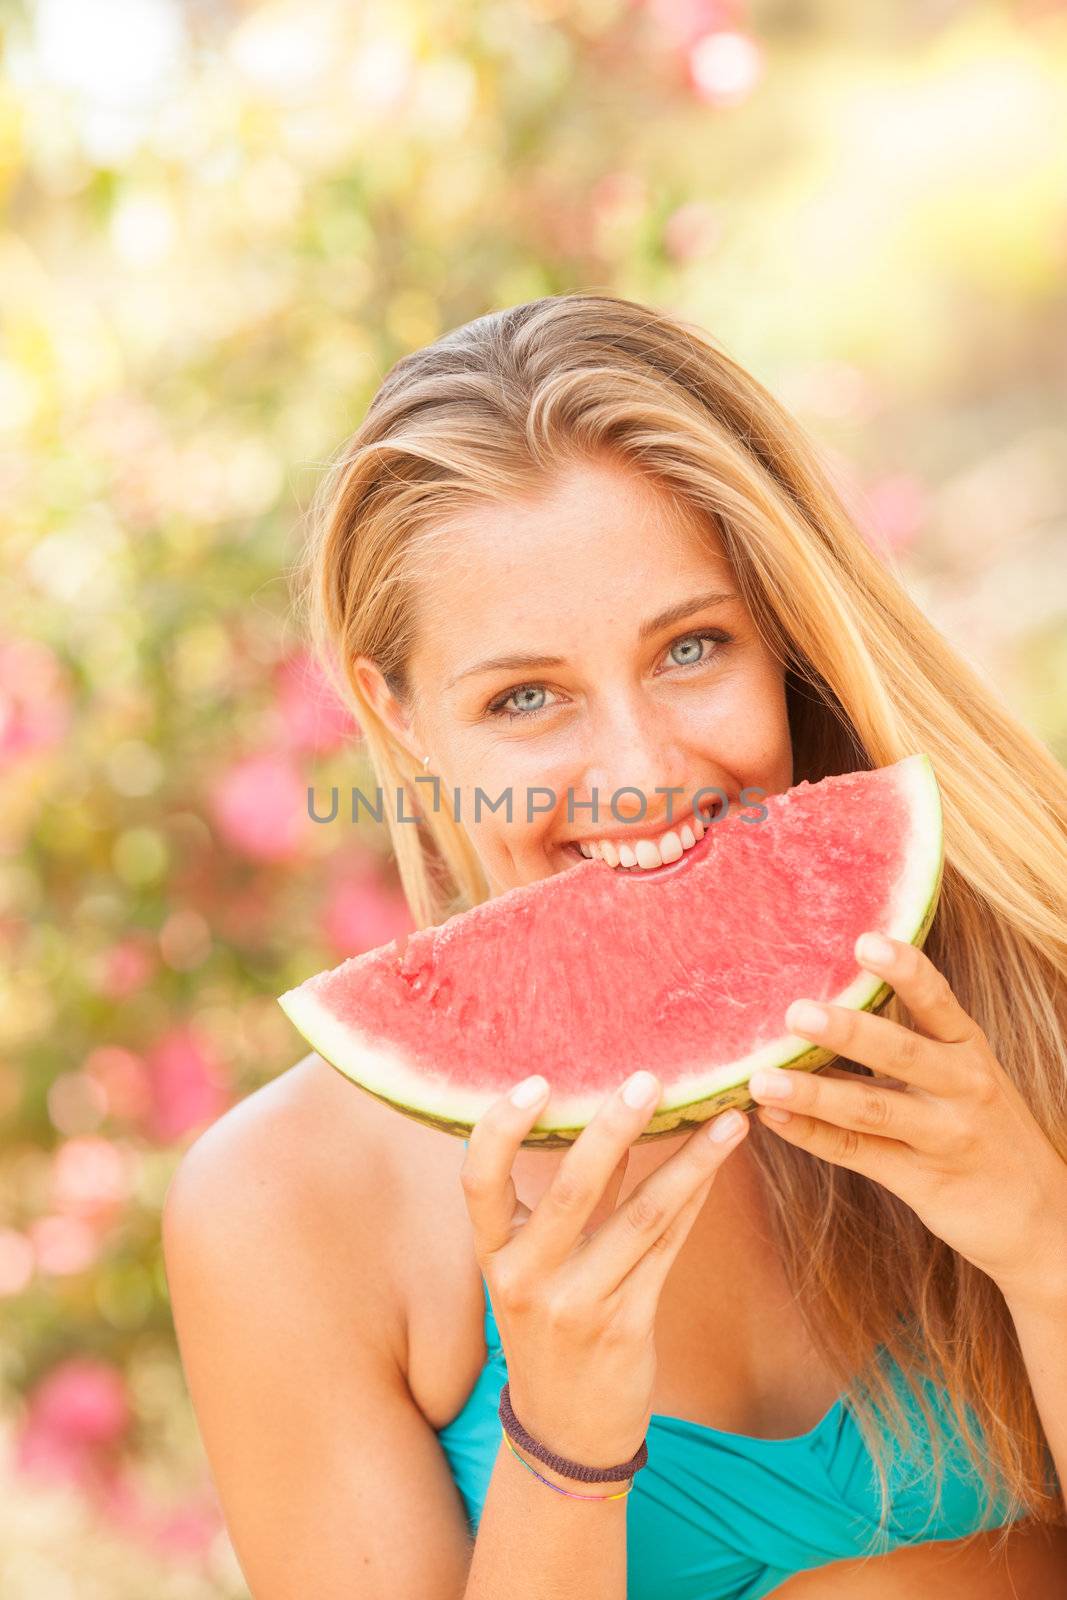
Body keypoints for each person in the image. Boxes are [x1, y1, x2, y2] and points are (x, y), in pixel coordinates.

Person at [163, 293, 1067, 1598]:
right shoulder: (286, 1213)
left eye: (693, 647)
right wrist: (565, 1450)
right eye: (525, 697)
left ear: (789, 638)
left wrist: (1042, 1234)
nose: (640, 771)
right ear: (397, 711)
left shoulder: (1024, 987)